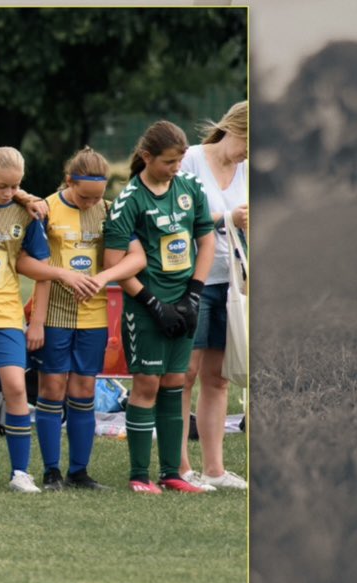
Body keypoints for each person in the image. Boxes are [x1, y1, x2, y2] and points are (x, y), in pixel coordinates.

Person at [0, 146, 101, 494]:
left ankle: (21, 473)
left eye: (15, 186)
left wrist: (36, 322)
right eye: (2, 186)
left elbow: (39, 267)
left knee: (16, 387)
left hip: (6, 312)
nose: (8, 192)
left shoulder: (28, 214)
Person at [104, 120, 216, 494]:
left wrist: (195, 294)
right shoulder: (129, 201)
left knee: (176, 382)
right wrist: (152, 303)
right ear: (147, 157)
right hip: (145, 307)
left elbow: (206, 240)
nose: (176, 168)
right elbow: (115, 264)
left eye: (180, 160)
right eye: (169, 161)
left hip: (185, 302)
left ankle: (172, 474)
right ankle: (139, 476)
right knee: (147, 384)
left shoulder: (190, 188)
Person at [26, 147, 147, 491]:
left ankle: (79, 472)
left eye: (97, 197)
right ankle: (51, 471)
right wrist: (40, 314)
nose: (91, 203)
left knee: (84, 390)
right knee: (52, 388)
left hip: (93, 317)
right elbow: (29, 263)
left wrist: (106, 276)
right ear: (69, 182)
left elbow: (137, 258)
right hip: (55, 316)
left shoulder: (109, 210)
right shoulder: (45, 210)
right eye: (84, 196)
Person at [177, 101, 249, 491]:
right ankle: (181, 468)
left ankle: (215, 470)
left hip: (233, 283)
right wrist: (228, 219)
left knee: (218, 379)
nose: (246, 155)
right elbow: (175, 218)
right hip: (191, 279)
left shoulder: (248, 170)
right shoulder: (189, 160)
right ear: (233, 127)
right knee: (184, 374)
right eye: (247, 144)